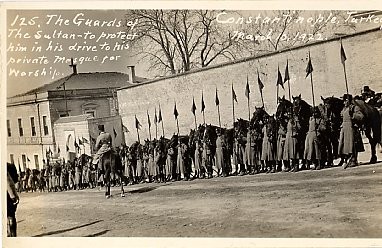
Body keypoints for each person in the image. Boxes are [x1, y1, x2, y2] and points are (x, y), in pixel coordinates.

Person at [338, 94, 365, 168]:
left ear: (349, 100)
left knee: (352, 144)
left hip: (351, 127)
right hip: (344, 127)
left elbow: (361, 116)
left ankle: (354, 159)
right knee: (344, 144)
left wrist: (353, 115)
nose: (344, 102)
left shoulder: (354, 108)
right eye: (344, 101)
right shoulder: (344, 109)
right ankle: (347, 159)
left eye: (346, 100)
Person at [7, 163, 19, 237]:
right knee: (11, 215)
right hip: (6, 195)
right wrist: (13, 195)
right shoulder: (6, 166)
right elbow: (8, 182)